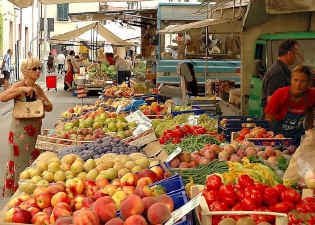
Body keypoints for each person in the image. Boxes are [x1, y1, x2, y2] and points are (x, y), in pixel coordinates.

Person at [0, 57, 53, 197]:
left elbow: (50, 108)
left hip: (34, 134)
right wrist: (21, 89)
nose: (38, 71)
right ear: (25, 71)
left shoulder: (38, 88)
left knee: (32, 164)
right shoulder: (19, 85)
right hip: (19, 135)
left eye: (39, 68)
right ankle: (16, 196)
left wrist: (41, 99)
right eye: (34, 69)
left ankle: (28, 194)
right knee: (19, 164)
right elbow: (3, 97)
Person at [264, 65, 315, 145]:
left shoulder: (312, 95)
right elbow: (268, 118)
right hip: (279, 141)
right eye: (295, 80)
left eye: (303, 81)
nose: (298, 84)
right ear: (291, 80)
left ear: (309, 83)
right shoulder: (280, 94)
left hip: (301, 142)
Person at [261, 39, 300, 110]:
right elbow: (272, 101)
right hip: (275, 119)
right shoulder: (277, 72)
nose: (296, 57)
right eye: (295, 54)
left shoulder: (284, 70)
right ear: (289, 54)